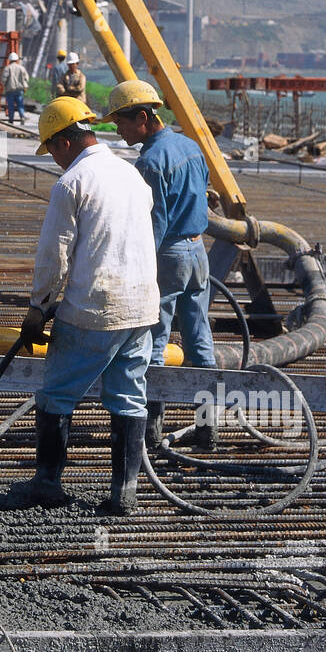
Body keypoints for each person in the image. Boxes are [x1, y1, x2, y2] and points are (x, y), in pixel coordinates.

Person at [0, 96, 159, 513]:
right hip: (142, 308)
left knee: (56, 396)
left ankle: (47, 484)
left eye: (50, 149)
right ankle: (124, 495)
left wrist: (39, 307)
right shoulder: (132, 176)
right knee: (128, 398)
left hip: (95, 308)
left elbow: (55, 253)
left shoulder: (73, 182)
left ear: (62, 142)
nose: (52, 158)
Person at [105, 79, 217, 452]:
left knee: (155, 340)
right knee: (200, 342)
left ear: (142, 117)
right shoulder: (189, 146)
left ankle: (150, 431)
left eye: (121, 122)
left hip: (168, 254)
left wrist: (135, 270)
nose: (117, 130)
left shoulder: (150, 163)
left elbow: (153, 225)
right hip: (199, 249)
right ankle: (207, 427)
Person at [0, 52, 29, 124]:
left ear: (9, 60)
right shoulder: (22, 68)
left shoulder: (7, 68)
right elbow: (26, 78)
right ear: (17, 60)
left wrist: (4, 85)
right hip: (20, 90)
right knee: (20, 104)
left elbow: (3, 79)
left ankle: (11, 119)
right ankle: (22, 116)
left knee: (11, 105)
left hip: (10, 90)